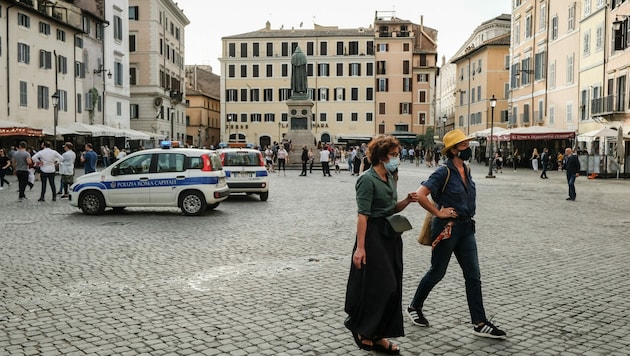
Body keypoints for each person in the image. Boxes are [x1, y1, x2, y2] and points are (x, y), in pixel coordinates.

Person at [407, 129, 507, 340]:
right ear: (452, 150)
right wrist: (438, 212)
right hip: (447, 229)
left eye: (467, 145)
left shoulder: (467, 170)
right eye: (463, 146)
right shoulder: (443, 172)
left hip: (466, 228)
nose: (467, 148)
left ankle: (480, 323)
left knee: (473, 275)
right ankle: (414, 306)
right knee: (437, 271)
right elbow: (421, 195)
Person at [344, 135, 417, 354]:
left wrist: (406, 200)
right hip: (373, 236)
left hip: (391, 235)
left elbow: (391, 208)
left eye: (397, 154)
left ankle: (378, 335)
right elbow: (363, 216)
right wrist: (360, 248)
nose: (397, 158)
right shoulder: (367, 179)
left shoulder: (391, 176)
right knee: (382, 286)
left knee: (393, 286)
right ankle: (363, 330)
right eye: (394, 155)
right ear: (381, 156)